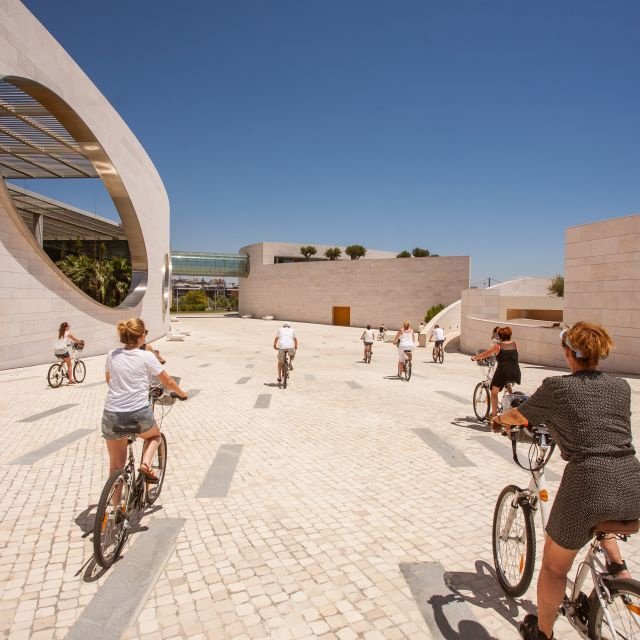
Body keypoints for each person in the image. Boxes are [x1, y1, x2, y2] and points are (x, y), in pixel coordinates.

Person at [491, 321, 640, 640]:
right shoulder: (621, 387)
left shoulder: (557, 387)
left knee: (555, 568)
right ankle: (618, 569)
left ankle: (542, 632)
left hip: (587, 484)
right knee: (603, 517)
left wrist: (497, 420)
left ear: (569, 353)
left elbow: (519, 415)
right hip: (630, 482)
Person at [102, 318, 187, 482]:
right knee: (154, 436)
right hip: (137, 412)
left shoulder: (111, 354)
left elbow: (109, 380)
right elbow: (168, 381)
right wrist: (182, 394)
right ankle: (146, 465)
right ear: (141, 336)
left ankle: (117, 507)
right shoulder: (147, 355)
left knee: (115, 466)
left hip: (111, 413)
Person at [471, 326, 520, 418]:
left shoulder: (498, 346)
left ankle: (494, 417)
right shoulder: (515, 344)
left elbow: (484, 354)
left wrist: (474, 358)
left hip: (502, 372)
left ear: (500, 336)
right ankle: (511, 402)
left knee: (494, 392)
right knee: (507, 385)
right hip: (515, 371)